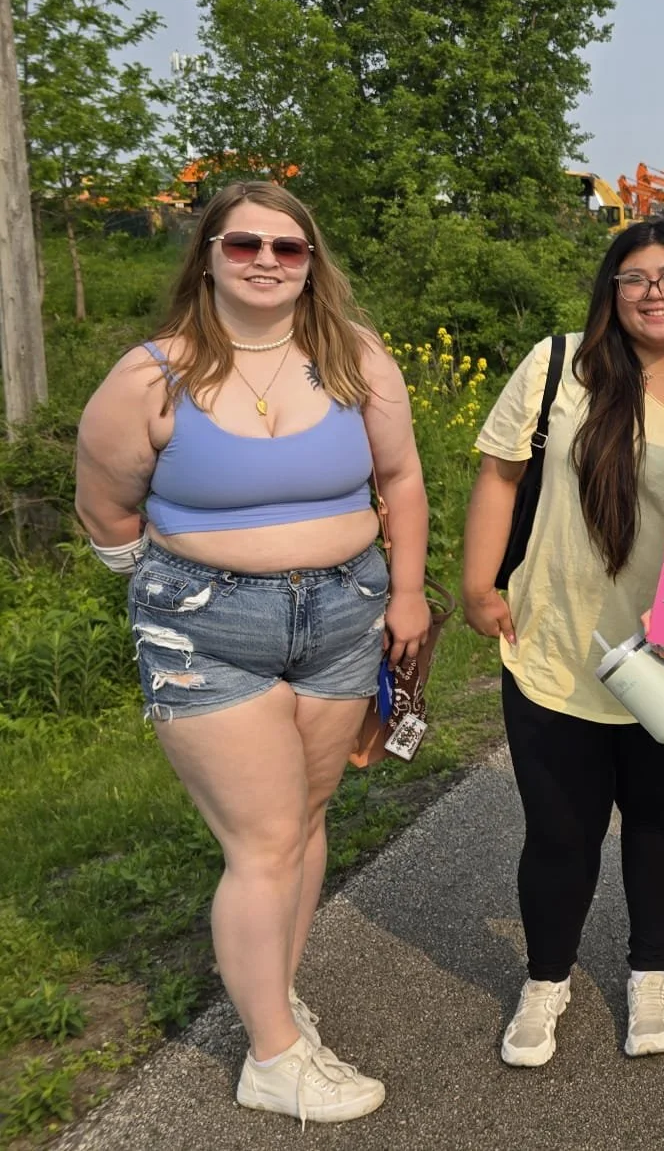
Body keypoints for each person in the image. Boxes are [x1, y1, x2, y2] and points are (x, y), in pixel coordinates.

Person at [73, 182, 428, 1123]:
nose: (267, 261)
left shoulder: (355, 360)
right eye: (245, 246)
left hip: (346, 616)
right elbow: (106, 511)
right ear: (209, 256)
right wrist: (188, 588)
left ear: (313, 263)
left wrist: (405, 593)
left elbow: (401, 475)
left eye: (288, 248)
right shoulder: (151, 377)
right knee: (263, 841)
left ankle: (276, 996)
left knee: (306, 822)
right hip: (205, 629)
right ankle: (273, 1058)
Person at [460, 221, 664, 1068]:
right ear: (610, 290)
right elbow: (500, 474)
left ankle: (650, 972)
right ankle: (547, 979)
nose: (655, 291)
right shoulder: (557, 365)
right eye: (634, 276)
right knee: (558, 830)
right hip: (554, 642)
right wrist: (477, 586)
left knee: (658, 818)